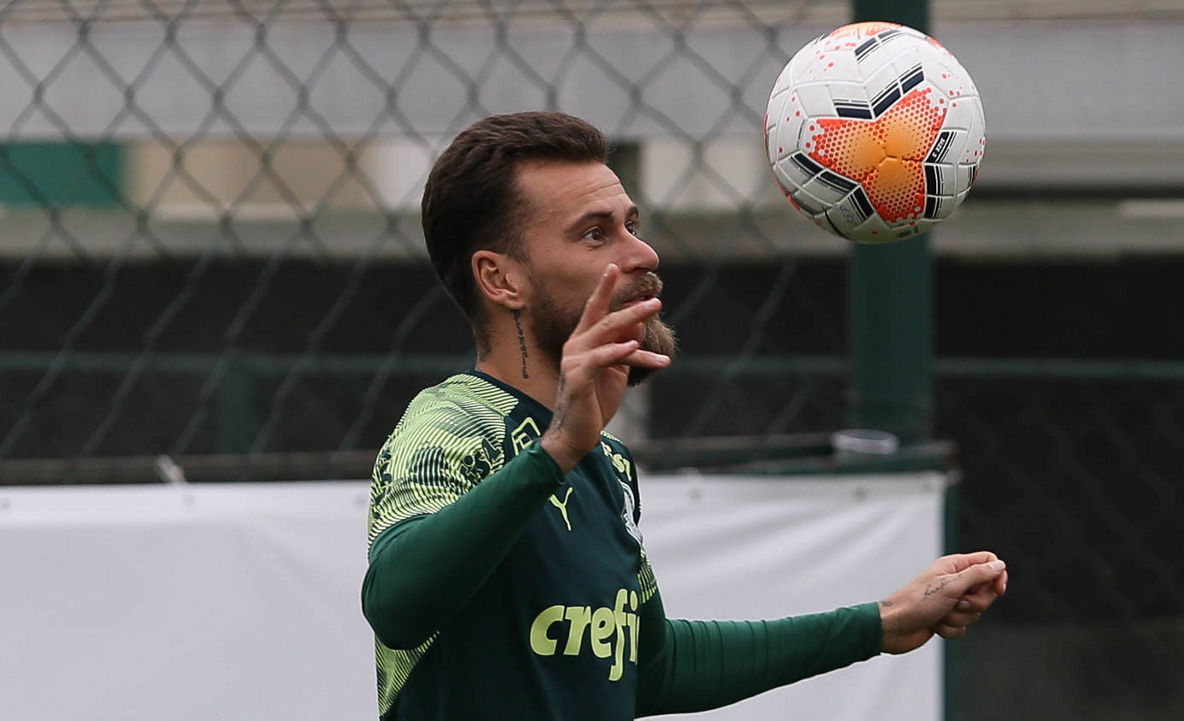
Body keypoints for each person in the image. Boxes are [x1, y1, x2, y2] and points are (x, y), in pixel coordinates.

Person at [361, 111, 1008, 720]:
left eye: (631, 224)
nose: (643, 254)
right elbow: (395, 604)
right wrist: (556, 450)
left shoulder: (606, 461)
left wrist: (880, 623)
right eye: (596, 234)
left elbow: (651, 665)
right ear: (501, 280)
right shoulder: (453, 422)